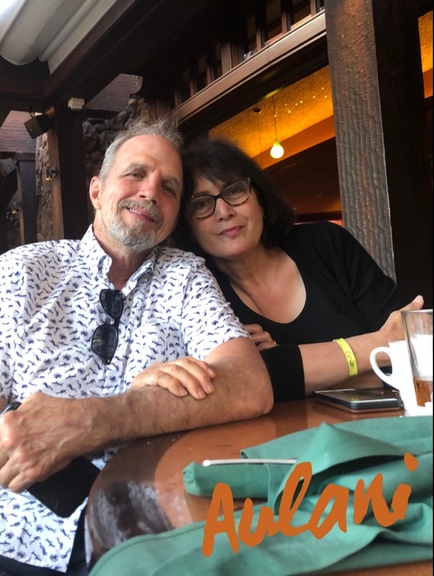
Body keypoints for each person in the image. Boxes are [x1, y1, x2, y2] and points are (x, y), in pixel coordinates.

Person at [0, 119, 272, 575]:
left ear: (174, 214)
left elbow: (250, 385)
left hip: (152, 532)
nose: (151, 191)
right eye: (136, 174)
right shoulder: (23, 271)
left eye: (169, 187)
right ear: (97, 191)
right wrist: (152, 407)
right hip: (9, 536)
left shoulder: (187, 276)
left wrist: (94, 419)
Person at [174, 137, 423, 400]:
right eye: (201, 204)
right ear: (188, 228)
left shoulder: (327, 244)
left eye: (235, 191)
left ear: (260, 199)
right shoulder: (199, 298)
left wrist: (288, 364)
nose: (224, 211)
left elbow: (412, 353)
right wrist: (378, 347)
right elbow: (243, 389)